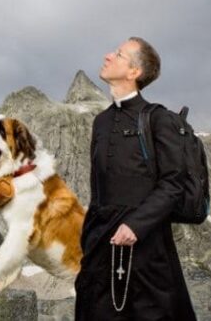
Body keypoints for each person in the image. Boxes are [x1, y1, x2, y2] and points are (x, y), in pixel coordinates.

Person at [75, 37, 196, 320]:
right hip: (100, 245)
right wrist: (89, 237)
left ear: (134, 72)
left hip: (147, 246)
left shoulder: (159, 119)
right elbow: (97, 188)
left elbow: (173, 184)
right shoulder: (101, 122)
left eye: (118, 54)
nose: (108, 56)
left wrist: (135, 225)